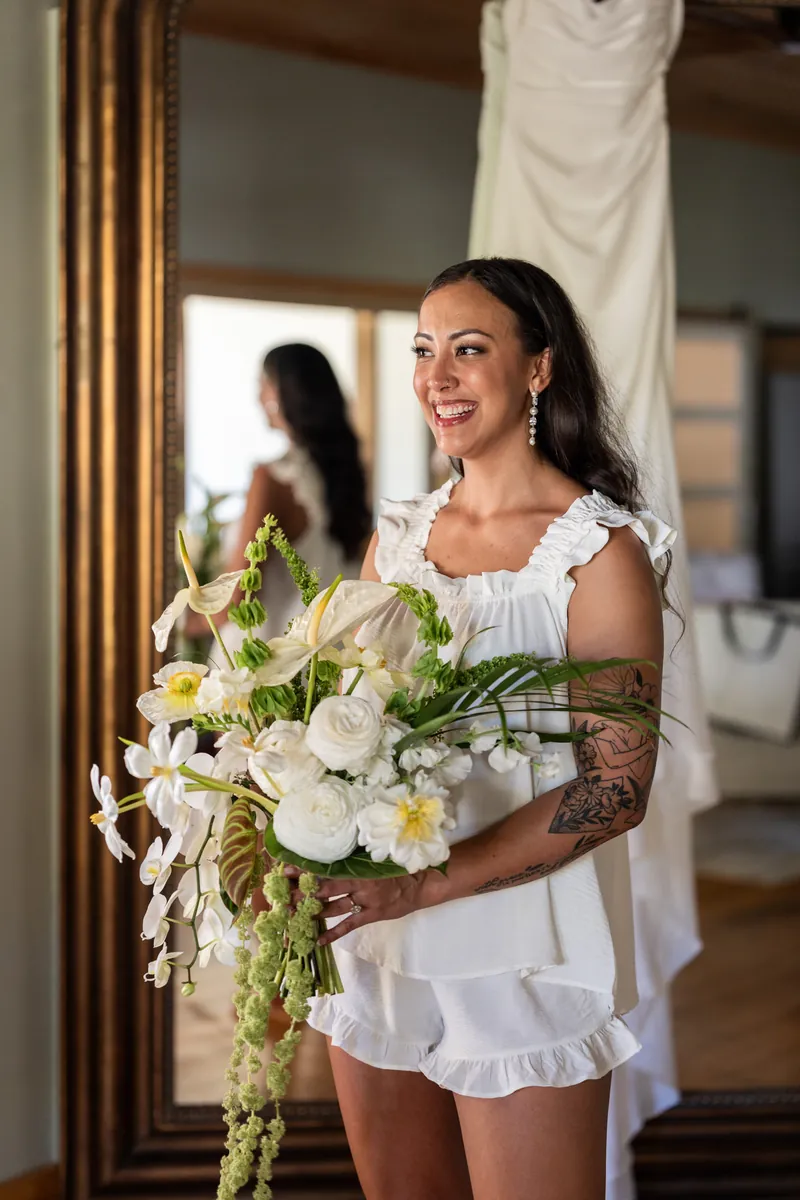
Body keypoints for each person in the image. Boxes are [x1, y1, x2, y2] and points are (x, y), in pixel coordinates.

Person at [287, 258, 677, 1200]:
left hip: (523, 940)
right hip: (378, 937)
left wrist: (431, 885)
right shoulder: (399, 540)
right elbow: (347, 729)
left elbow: (616, 788)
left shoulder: (600, 553)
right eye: (427, 351)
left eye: (470, 349)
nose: (438, 376)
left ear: (538, 369)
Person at [214, 343, 371, 646]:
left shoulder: (271, 479)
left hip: (271, 653)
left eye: (264, 385)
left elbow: (234, 596)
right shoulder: (347, 472)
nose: (258, 397)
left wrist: (184, 622)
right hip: (329, 645)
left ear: (286, 393)